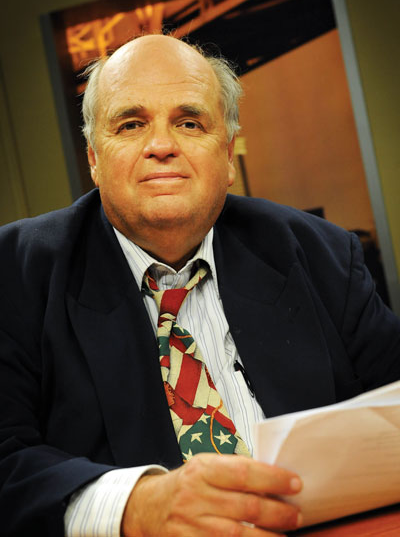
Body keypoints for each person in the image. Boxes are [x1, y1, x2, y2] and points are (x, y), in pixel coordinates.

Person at [0, 34, 399, 537]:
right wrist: (138, 506)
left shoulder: (322, 254)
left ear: (228, 155)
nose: (161, 146)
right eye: (131, 124)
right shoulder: (15, 275)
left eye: (189, 123)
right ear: (94, 159)